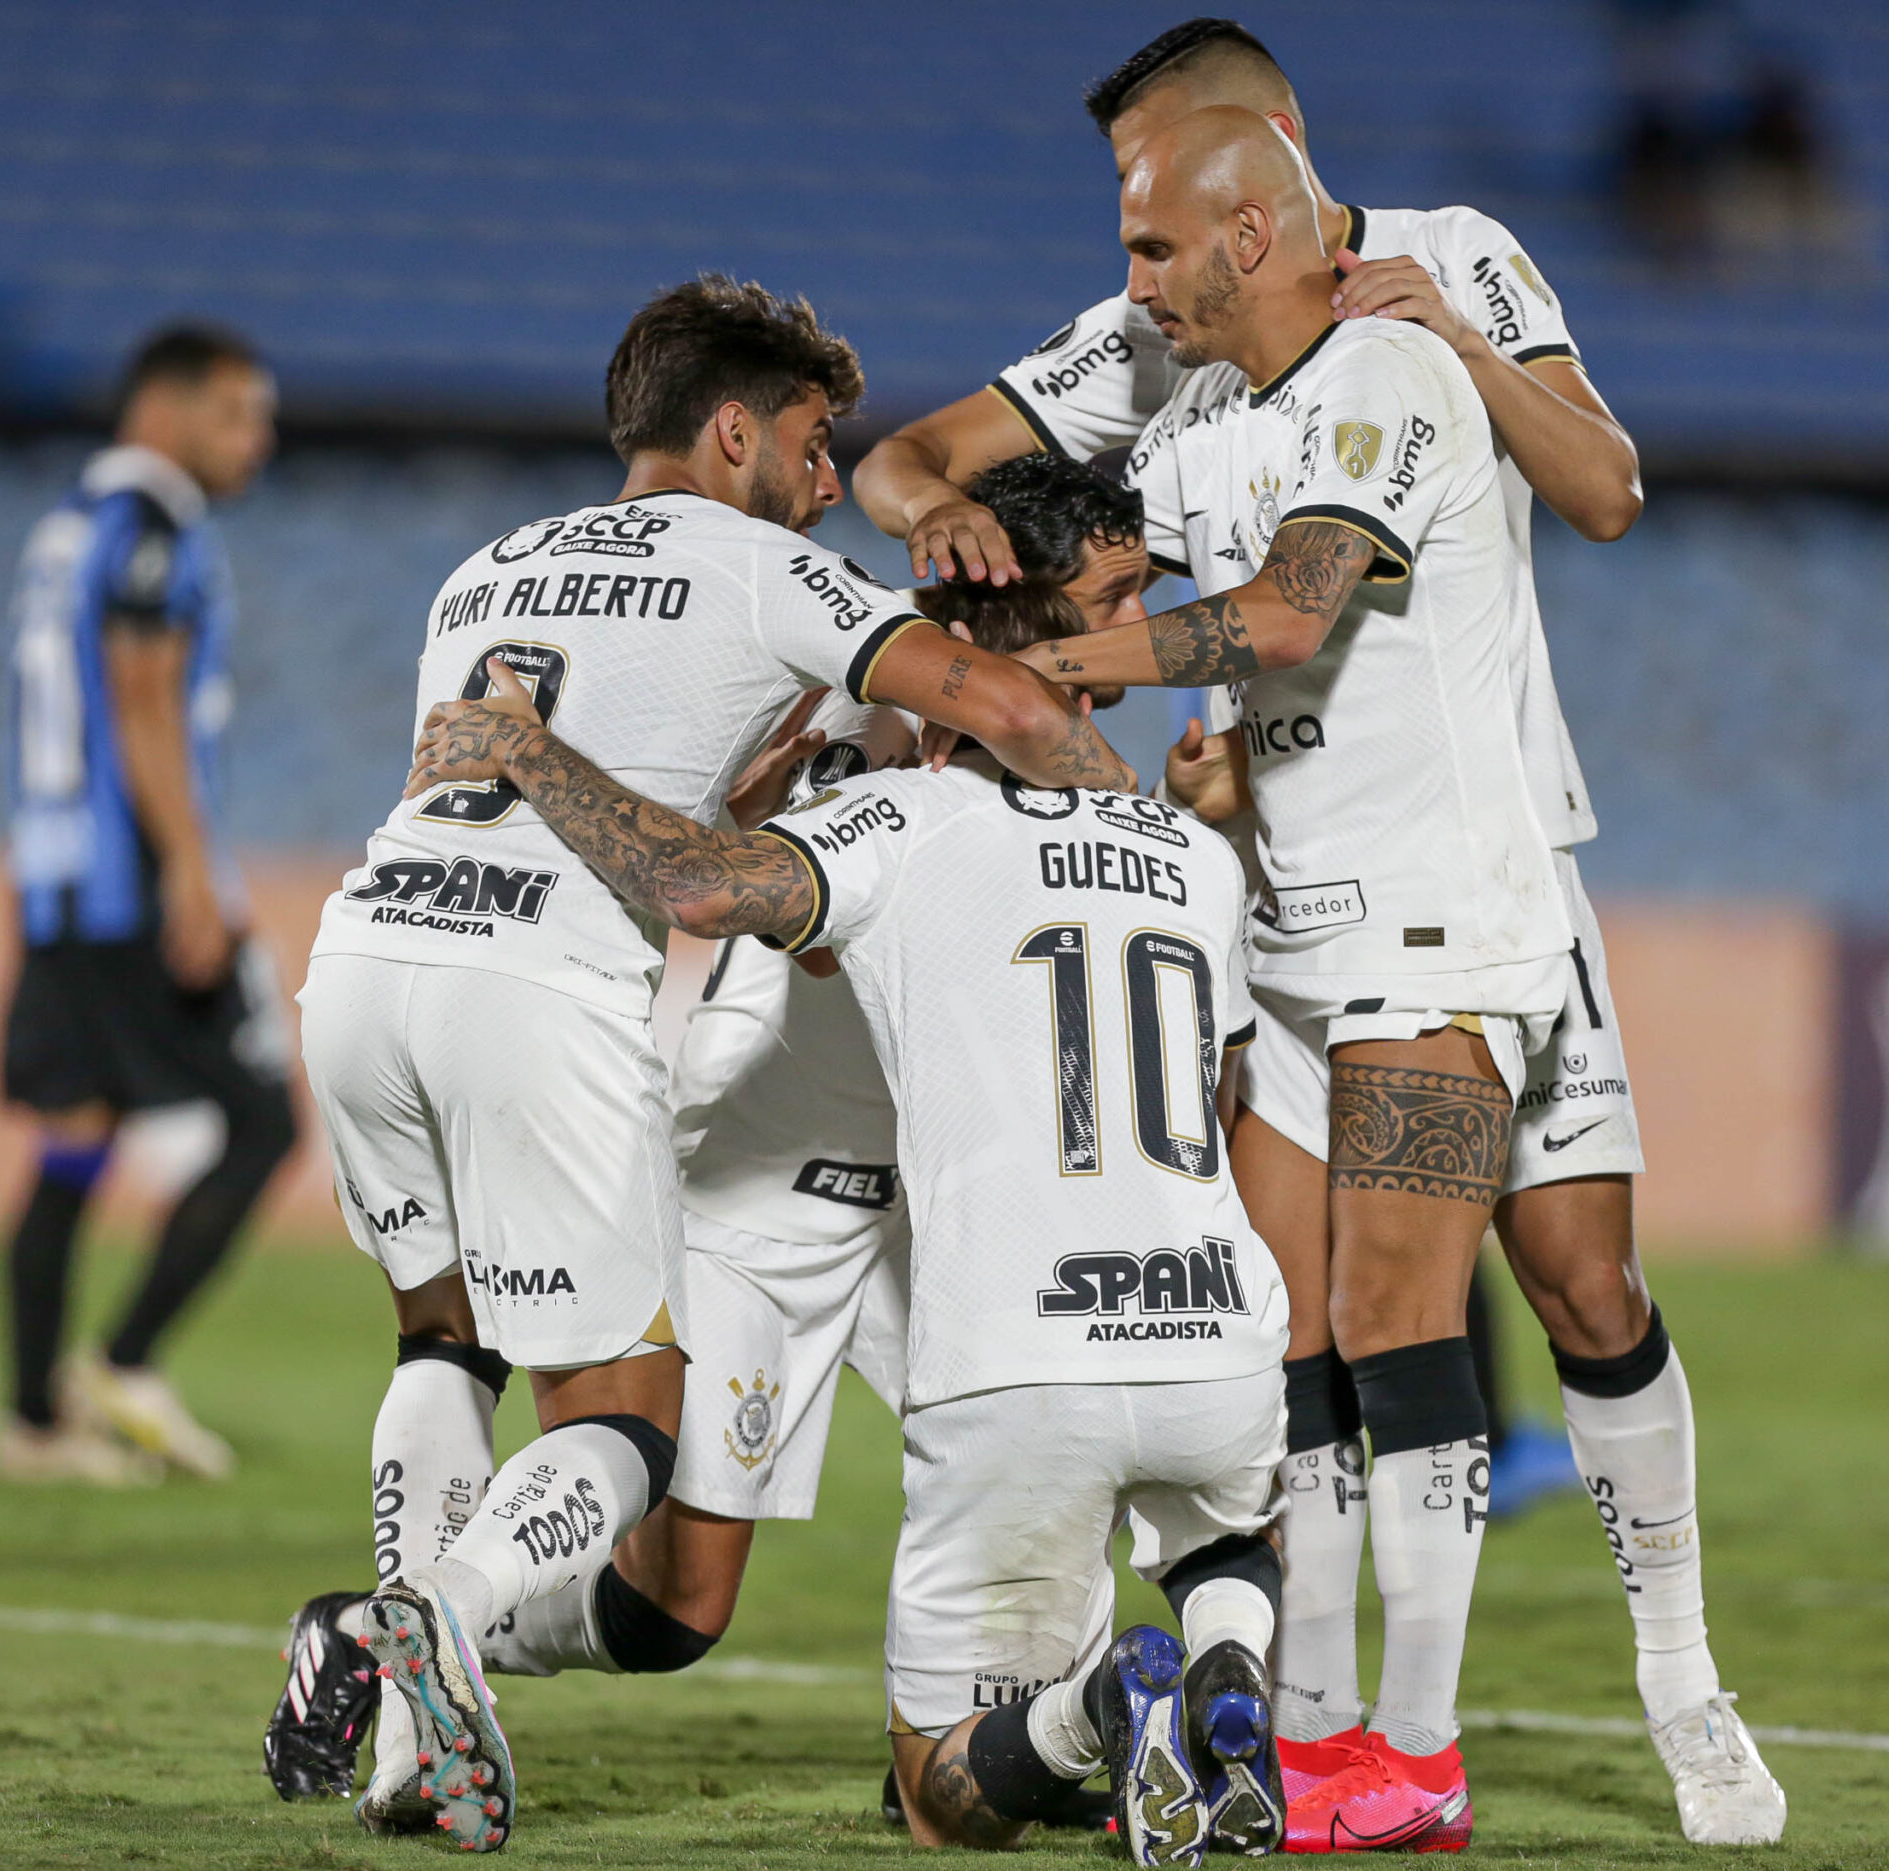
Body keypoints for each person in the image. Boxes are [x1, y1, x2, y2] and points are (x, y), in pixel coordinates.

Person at [856, 22, 1767, 1849]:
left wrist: (1455, 348)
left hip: (1480, 883)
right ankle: (1326, 1726)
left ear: (1255, 169)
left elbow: (1584, 497)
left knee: (1571, 1287)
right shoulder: (1177, 377)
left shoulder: (1443, 290)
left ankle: (1673, 1689)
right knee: (1302, 1334)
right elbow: (912, 464)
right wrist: (958, 534)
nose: (1118, 269)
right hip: (1291, 909)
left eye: (1149, 203)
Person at [287, 276, 1135, 1852]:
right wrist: (1117, 819)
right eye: (816, 445)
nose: (832, 483)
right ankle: (450, 1616)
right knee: (625, 1427)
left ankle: (406, 1713)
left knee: (443, 1344)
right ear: (733, 428)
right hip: (537, 993)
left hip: (361, 960)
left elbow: (592, 780)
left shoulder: (484, 569)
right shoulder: (764, 569)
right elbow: (1000, 698)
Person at [407, 585, 1288, 1869]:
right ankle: (1229, 1671)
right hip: (1213, 1325)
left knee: (940, 1789)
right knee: (1225, 1523)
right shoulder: (1198, 856)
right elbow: (1221, 1089)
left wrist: (528, 746)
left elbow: (700, 889)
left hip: (1014, 1348)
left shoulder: (899, 817)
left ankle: (1110, 1702)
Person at [0, 322, 294, 1486]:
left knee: (76, 1132)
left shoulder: (69, 523)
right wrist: (188, 870)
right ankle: (122, 1361)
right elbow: (141, 697)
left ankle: (31, 1420)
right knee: (265, 1119)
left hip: (57, 878)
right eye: (238, 414)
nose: (257, 441)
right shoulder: (155, 526)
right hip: (128, 883)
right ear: (165, 412)